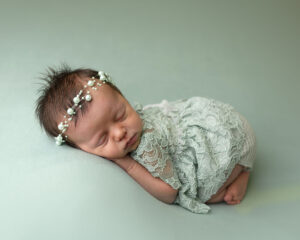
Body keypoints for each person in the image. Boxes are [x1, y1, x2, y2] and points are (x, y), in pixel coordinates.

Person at [35, 64, 256, 214]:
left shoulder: (147, 145)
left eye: (121, 114)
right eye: (103, 139)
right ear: (82, 149)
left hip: (225, 138)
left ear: (123, 97)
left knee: (207, 191)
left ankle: (242, 172)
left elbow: (170, 193)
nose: (120, 133)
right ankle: (244, 168)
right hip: (220, 121)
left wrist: (128, 165)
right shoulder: (127, 127)